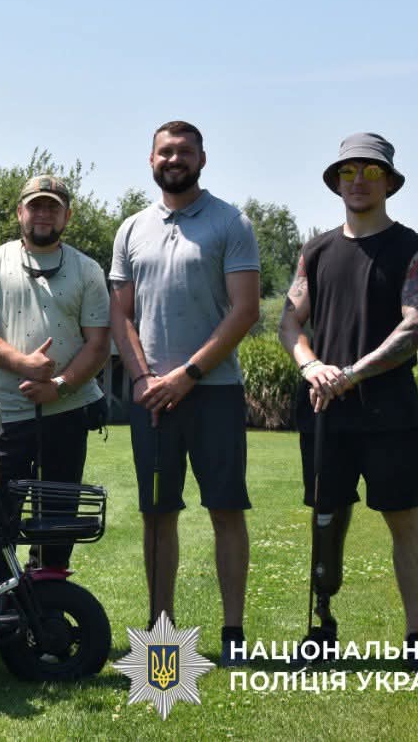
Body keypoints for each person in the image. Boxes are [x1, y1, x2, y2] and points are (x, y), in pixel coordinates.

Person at [278, 132, 418, 672]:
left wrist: (351, 373)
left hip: (390, 410)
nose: (358, 181)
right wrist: (311, 366)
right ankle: (321, 627)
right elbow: (289, 321)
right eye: (349, 172)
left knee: (403, 516)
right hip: (324, 409)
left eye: (370, 172)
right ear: (336, 182)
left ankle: (417, 641)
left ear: (389, 182)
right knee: (326, 516)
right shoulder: (316, 251)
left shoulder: (414, 249)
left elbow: (416, 327)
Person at [108, 121, 260, 666]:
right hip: (149, 397)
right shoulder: (131, 230)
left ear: (202, 158)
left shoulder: (230, 222)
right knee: (156, 514)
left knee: (225, 509)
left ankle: (234, 634)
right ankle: (161, 629)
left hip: (213, 392)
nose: (175, 159)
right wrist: (145, 378)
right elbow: (121, 314)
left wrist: (187, 375)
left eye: (185, 151)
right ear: (151, 159)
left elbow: (245, 310)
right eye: (165, 151)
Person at [0, 175, 111, 571]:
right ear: (19, 212)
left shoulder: (88, 269)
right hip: (7, 416)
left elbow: (98, 345)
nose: (43, 214)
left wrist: (59, 386)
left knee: (58, 523)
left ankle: (50, 608)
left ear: (67, 215)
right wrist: (24, 364)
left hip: (68, 412)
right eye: (35, 205)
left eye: (53, 207)